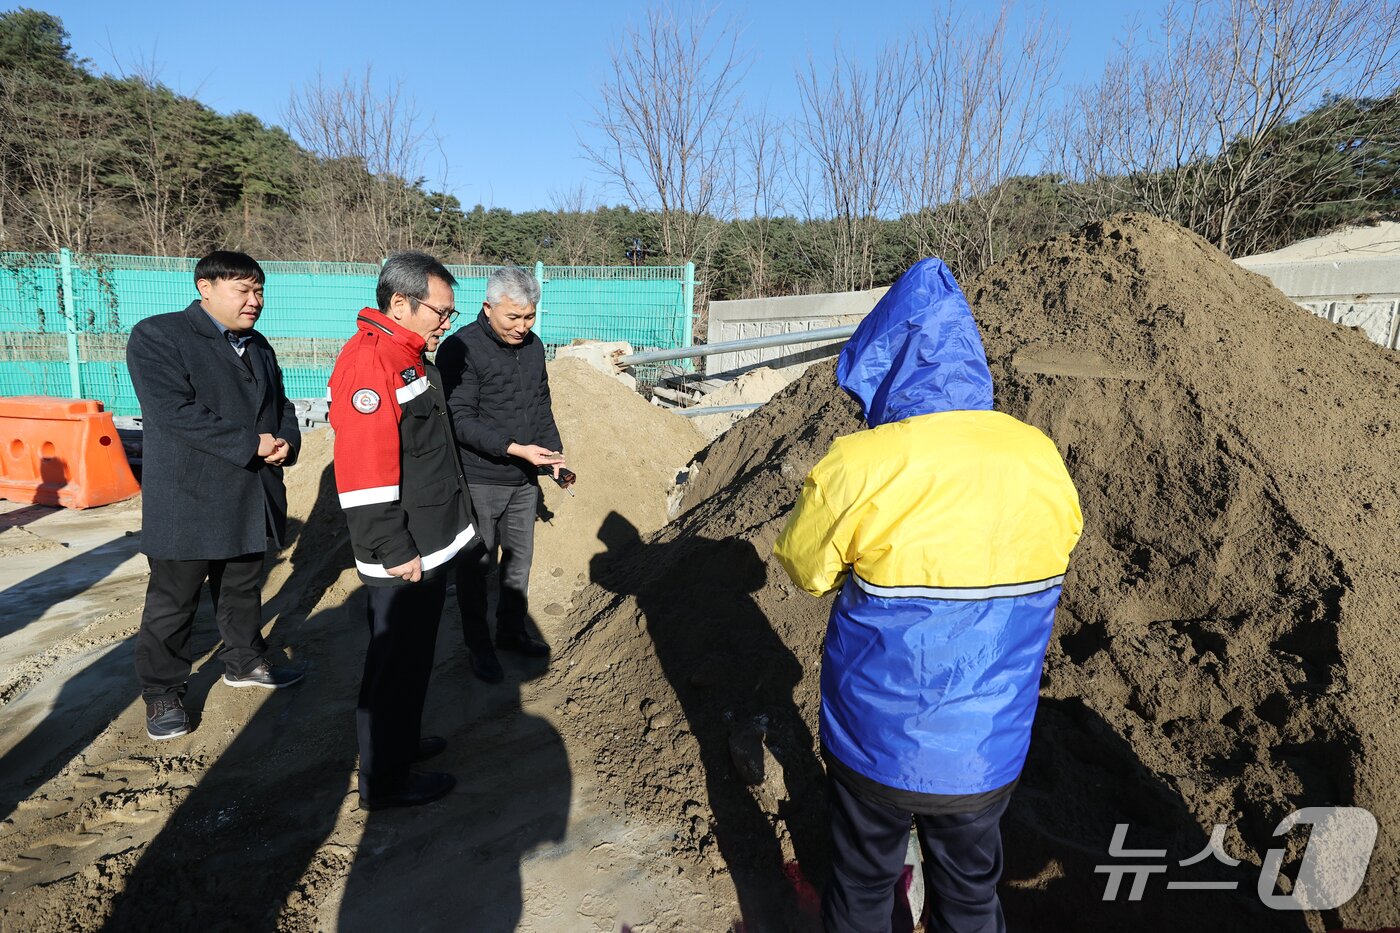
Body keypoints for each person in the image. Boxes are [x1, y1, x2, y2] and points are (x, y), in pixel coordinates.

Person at [774, 258, 1083, 933]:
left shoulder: (860, 462)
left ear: (885, 362)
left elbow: (805, 567)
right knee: (972, 896)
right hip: (986, 748)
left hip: (872, 741)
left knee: (860, 886)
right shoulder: (1039, 457)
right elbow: (1058, 551)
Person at [126, 250, 305, 742]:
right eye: (243, 291)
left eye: (259, 291)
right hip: (190, 497)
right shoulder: (159, 335)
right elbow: (171, 410)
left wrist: (286, 439)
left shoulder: (258, 344)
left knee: (243, 588)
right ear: (205, 288)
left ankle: (245, 660)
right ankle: (163, 692)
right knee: (173, 603)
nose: (255, 301)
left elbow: (280, 402)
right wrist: (250, 444)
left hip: (252, 492)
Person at [329, 251, 478, 810]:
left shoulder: (405, 353)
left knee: (413, 658)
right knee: (393, 667)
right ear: (400, 303)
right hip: (403, 551)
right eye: (440, 312)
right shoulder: (372, 363)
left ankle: (401, 745)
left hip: (427, 539)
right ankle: (385, 783)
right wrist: (393, 548)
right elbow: (364, 473)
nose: (446, 323)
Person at [437, 266, 563, 684]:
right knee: (476, 565)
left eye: (530, 317)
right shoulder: (461, 348)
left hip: (523, 479)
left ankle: (510, 632)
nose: (523, 327)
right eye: (513, 318)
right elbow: (458, 419)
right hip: (480, 478)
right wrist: (513, 448)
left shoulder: (534, 347)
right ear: (488, 307)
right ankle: (479, 646)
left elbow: (541, 405)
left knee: (519, 563)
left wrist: (553, 455)